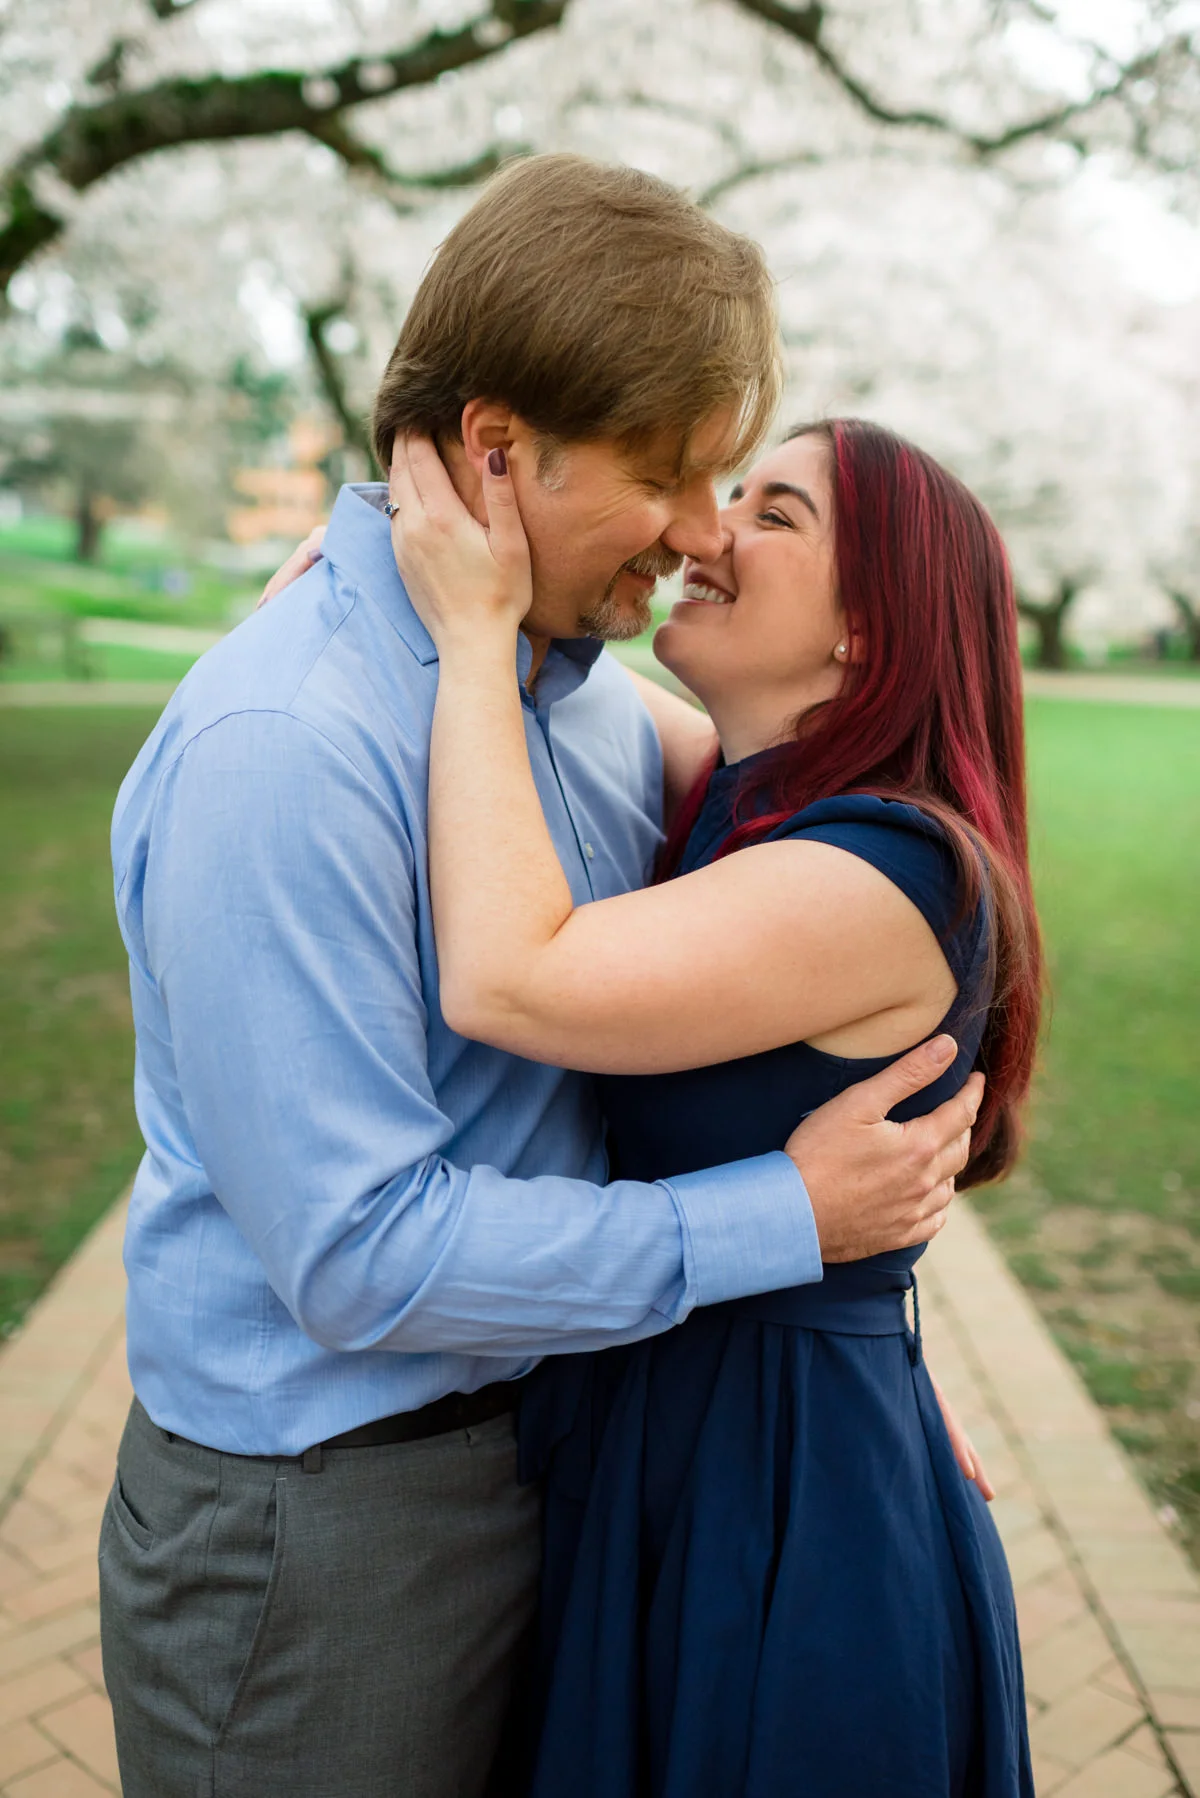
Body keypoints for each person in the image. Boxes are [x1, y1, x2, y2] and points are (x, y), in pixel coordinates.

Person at [101, 155, 984, 1798]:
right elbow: (359, 1253)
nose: (706, 536)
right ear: (500, 450)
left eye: (743, 489)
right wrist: (787, 1222)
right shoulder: (289, 746)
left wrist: (859, 1374)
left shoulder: (567, 690)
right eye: (679, 473)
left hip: (568, 1461)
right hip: (334, 1525)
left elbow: (812, 867)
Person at [382, 414, 1042, 1797]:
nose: (707, 530)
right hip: (696, 1433)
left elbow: (509, 976)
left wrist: (464, 635)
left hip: (787, 1500)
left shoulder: (884, 871)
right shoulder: (758, 797)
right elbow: (582, 683)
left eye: (774, 512)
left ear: (870, 630)